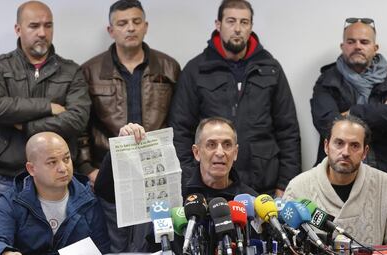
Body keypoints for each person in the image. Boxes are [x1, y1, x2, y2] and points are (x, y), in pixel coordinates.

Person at [169, 0, 301, 198]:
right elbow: (180, 131)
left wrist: (285, 184)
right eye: (231, 21)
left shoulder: (271, 69)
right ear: (218, 24)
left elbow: (288, 130)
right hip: (212, 188)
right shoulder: (196, 70)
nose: (237, 29)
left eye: (244, 22)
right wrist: (190, 180)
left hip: (264, 187)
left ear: (251, 27)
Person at [96, 117, 258, 253]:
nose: (220, 152)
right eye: (211, 144)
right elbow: (106, 191)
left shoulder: (248, 201)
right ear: (196, 152)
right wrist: (120, 149)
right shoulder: (175, 182)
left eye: (227, 145)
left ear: (235, 153)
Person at [310, 18, 387, 206]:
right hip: (337, 182)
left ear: (375, 47)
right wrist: (382, 114)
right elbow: (327, 123)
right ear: (342, 46)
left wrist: (352, 112)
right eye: (351, 41)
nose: (357, 46)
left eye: (364, 42)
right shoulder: (326, 81)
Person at [78, 0, 180, 186]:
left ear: (145, 26)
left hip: (158, 168)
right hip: (108, 169)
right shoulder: (89, 71)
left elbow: (179, 122)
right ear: (111, 31)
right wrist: (88, 169)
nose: (131, 28)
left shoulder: (168, 67)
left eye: (136, 21)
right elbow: (82, 126)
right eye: (122, 23)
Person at [0, 1, 90, 196]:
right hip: (7, 177)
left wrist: (26, 127)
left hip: (59, 178)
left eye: (48, 25)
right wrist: (47, 107)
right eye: (34, 26)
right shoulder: (1, 67)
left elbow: (78, 118)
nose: (42, 32)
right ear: (18, 29)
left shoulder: (71, 71)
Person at [283, 115, 387, 245]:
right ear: (326, 146)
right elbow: (286, 244)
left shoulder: (386, 185)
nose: (345, 152)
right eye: (339, 143)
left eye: (354, 145)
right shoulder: (298, 187)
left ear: (365, 152)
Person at [0, 132, 110, 255]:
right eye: (52, 162)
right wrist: (6, 252)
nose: (63, 168)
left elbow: (102, 248)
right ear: (31, 169)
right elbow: (0, 240)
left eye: (66, 159)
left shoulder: (89, 199)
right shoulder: (11, 202)